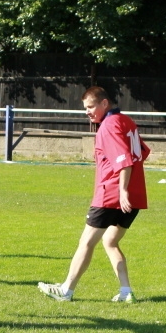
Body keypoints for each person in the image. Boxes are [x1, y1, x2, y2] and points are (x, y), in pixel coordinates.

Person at [39, 86, 149, 302]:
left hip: (112, 195)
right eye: (85, 108)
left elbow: (124, 161)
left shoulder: (109, 125)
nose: (87, 112)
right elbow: (142, 152)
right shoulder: (126, 121)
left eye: (90, 107)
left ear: (104, 103)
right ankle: (126, 291)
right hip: (135, 195)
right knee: (110, 241)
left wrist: (122, 190)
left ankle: (66, 290)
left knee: (86, 242)